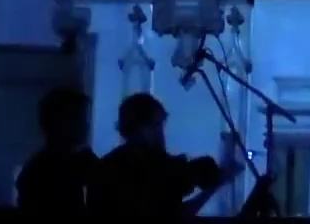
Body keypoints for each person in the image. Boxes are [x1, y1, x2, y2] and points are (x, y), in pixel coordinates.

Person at [88, 92, 228, 219]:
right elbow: (174, 214)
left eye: (160, 126)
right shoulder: (119, 172)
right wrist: (216, 184)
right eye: (156, 125)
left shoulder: (107, 165)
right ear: (138, 127)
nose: (161, 134)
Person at [16, 86, 97, 215]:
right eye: (79, 118)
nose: (86, 125)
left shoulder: (85, 162)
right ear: (60, 123)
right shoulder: (39, 172)